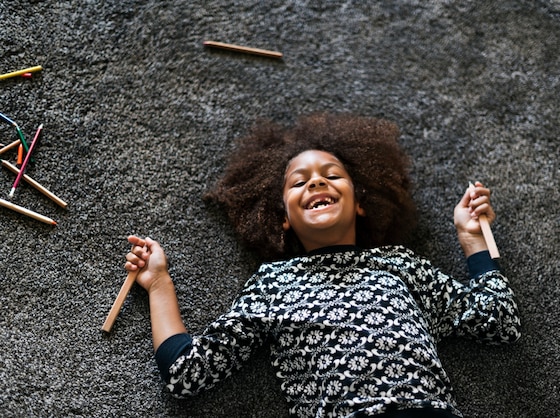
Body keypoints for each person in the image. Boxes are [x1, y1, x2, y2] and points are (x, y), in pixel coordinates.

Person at [124, 113, 521, 418]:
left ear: (361, 203)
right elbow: (186, 372)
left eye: (332, 175)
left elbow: (499, 321)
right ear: (281, 217)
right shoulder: (273, 284)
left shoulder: (399, 264)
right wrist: (159, 283)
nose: (316, 183)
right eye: (299, 182)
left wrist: (471, 239)